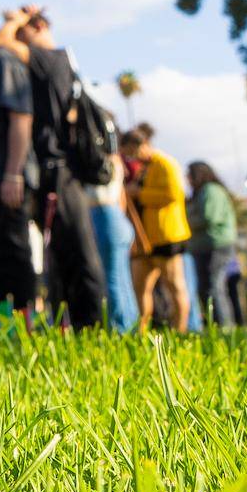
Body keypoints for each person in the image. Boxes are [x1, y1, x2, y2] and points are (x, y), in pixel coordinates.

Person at [0, 6, 106, 330]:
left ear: (39, 27)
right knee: (61, 254)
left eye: (26, 32)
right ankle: (72, 325)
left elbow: (1, 41)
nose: (20, 38)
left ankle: (91, 326)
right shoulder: (60, 62)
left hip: (61, 173)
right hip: (60, 173)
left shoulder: (52, 58)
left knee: (78, 251)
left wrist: (14, 20)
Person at [0, 1, 39, 321]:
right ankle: (3, 327)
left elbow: (21, 118)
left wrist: (13, 174)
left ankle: (23, 327)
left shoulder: (3, 60)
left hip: (6, 178)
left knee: (14, 255)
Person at [126, 125, 192, 332]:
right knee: (140, 287)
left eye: (133, 152)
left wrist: (140, 194)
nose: (132, 158)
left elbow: (174, 195)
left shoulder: (165, 164)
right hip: (147, 239)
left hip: (167, 235)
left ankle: (180, 330)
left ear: (143, 145)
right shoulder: (145, 168)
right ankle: (142, 330)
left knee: (175, 286)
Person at [86, 114, 139, 332]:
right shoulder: (116, 159)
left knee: (112, 278)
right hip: (118, 218)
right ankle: (131, 324)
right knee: (123, 278)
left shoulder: (101, 159)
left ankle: (120, 329)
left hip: (104, 214)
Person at [185, 161, 241, 329]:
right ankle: (215, 326)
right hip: (202, 246)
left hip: (216, 245)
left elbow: (209, 217)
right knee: (206, 287)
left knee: (213, 287)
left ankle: (224, 327)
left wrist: (184, 221)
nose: (187, 179)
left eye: (190, 175)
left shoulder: (211, 190)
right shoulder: (201, 192)